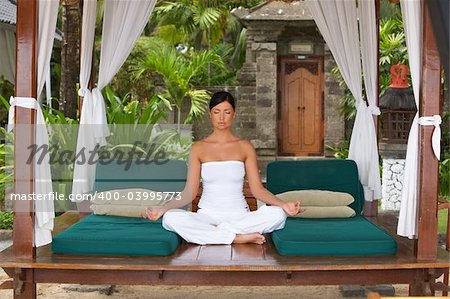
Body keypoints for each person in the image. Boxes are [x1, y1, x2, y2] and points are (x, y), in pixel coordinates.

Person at [142, 91, 302, 245]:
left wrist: (283, 205)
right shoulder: (198, 148)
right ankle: (236, 238)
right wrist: (163, 209)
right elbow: (189, 193)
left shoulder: (245, 147)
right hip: (207, 217)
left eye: (227, 112)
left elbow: (258, 190)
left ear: (234, 114)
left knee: (278, 214)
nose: (222, 117)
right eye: (217, 112)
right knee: (170, 218)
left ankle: (215, 234)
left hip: (240, 217)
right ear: (210, 114)